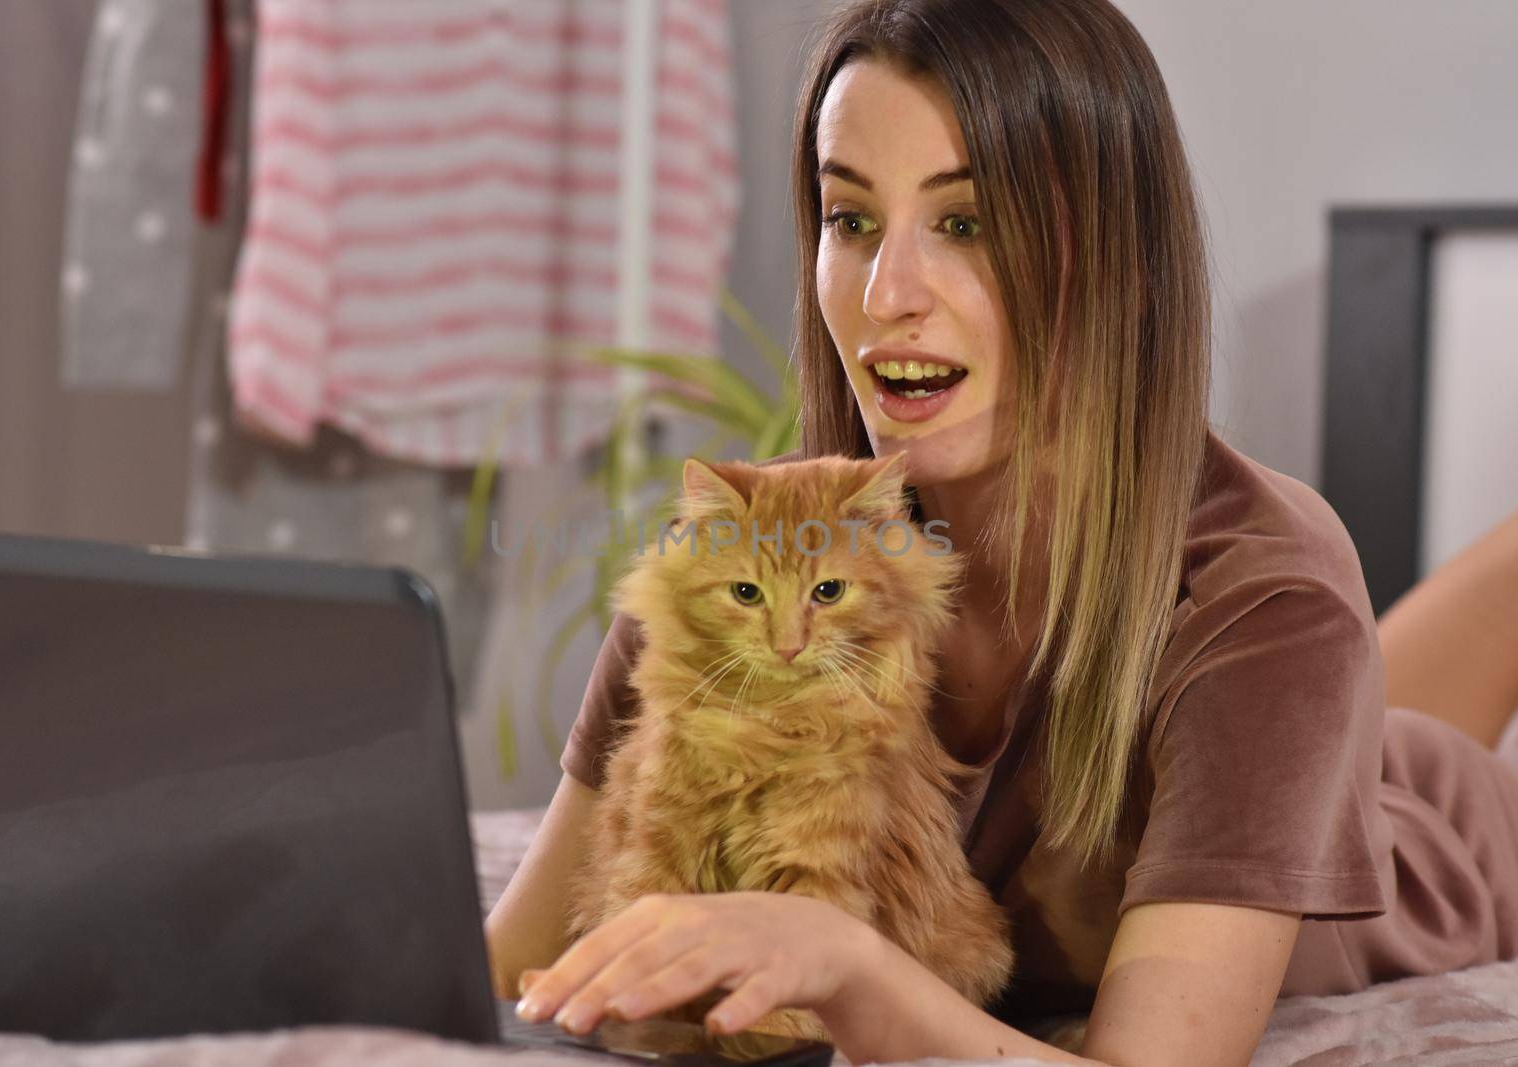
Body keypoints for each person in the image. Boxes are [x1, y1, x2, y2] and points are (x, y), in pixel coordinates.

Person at [483, 2, 1518, 1064]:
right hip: (1297, 717)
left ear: (1117, 259)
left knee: (1380, 714)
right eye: (850, 220)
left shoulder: (1265, 604)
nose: (889, 295)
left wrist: (843, 963)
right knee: (1352, 697)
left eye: (966, 223)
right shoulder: (746, 564)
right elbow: (506, 959)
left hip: (1444, 842)